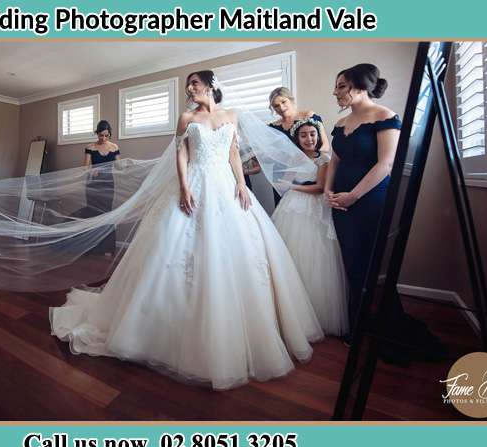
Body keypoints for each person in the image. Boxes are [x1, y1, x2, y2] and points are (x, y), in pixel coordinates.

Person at [49, 70, 323, 390]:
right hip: (194, 182)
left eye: (194, 83)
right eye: (187, 85)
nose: (190, 89)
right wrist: (184, 187)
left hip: (225, 185)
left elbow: (233, 153)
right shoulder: (186, 118)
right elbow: (181, 153)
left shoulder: (231, 116)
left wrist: (240, 184)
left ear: (211, 85)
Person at [325, 64, 401, 342]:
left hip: (370, 201)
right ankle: (356, 323)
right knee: (351, 262)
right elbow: (334, 161)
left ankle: (377, 324)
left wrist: (353, 195)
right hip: (339, 202)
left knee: (371, 262)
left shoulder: (385, 116)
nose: (336, 92)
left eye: (341, 86)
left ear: (361, 86)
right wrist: (328, 191)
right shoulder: (340, 124)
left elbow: (386, 163)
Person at [271, 118, 348, 336]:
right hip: (291, 207)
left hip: (312, 208)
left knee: (312, 254)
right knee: (289, 253)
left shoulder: (323, 160)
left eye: (312, 134)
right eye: (303, 135)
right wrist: (286, 183)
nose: (309, 139)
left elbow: (320, 187)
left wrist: (293, 187)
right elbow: (283, 182)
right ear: (297, 138)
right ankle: (290, 308)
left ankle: (314, 311)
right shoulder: (293, 158)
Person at [245, 87, 330, 206]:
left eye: (283, 102)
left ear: (291, 99)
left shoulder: (309, 116)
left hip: (309, 172)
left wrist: (309, 162)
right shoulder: (272, 127)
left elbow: (325, 146)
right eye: (276, 106)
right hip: (282, 174)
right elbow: (266, 153)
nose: (281, 108)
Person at [83, 120, 121, 256]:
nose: (103, 138)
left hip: (108, 184)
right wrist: (91, 170)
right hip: (93, 184)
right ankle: (92, 247)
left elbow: (118, 166)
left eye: (106, 136)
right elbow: (85, 167)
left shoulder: (114, 147)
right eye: (101, 135)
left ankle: (107, 248)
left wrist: (125, 164)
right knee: (92, 213)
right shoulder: (90, 147)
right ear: (97, 134)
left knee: (107, 214)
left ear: (109, 134)